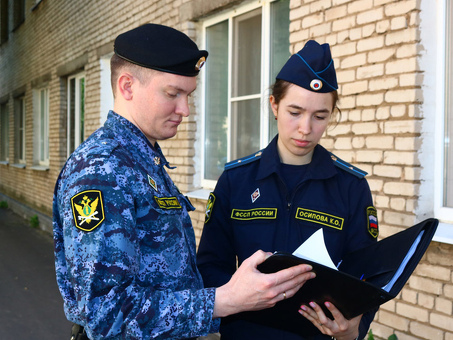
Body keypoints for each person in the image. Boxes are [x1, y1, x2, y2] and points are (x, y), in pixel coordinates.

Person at [53, 23, 315, 340]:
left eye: (188, 95)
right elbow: (106, 314)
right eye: (172, 93)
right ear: (127, 87)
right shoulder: (101, 169)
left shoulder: (142, 161)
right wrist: (225, 300)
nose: (185, 110)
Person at [197, 40, 379, 340]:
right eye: (295, 112)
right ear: (274, 105)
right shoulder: (236, 180)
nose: (305, 128)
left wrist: (353, 330)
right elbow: (210, 266)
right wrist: (239, 295)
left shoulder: (351, 187)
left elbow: (365, 277)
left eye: (320, 116)